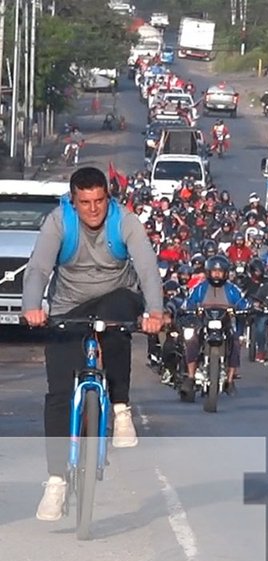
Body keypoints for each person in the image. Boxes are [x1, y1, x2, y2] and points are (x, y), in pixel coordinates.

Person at [19, 167, 164, 522]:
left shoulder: (125, 221)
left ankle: (120, 407)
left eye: (99, 200)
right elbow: (38, 268)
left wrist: (155, 312)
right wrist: (32, 308)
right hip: (69, 307)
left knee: (114, 323)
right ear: (73, 201)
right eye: (85, 202)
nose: (93, 209)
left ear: (108, 198)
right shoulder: (59, 222)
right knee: (57, 392)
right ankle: (55, 479)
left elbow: (146, 268)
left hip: (118, 296)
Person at [180, 255, 251, 395]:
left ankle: (230, 381)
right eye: (214, 271)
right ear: (208, 272)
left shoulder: (232, 289)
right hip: (203, 322)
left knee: (236, 342)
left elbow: (243, 303)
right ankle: (190, 377)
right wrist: (190, 309)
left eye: (220, 271)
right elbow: (189, 302)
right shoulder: (200, 288)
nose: (217, 274)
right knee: (192, 340)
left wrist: (244, 309)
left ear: (225, 273)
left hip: (225, 323)